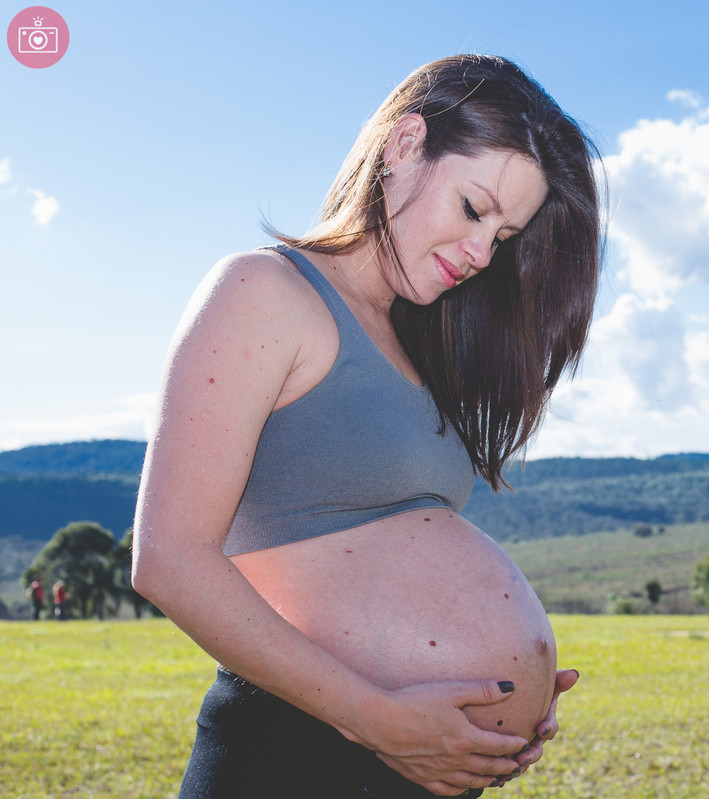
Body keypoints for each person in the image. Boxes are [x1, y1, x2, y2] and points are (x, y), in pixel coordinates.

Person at [132, 54, 601, 798]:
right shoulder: (265, 289)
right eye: (474, 209)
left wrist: (505, 695)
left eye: (505, 237)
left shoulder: (420, 343)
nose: (482, 253)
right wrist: (377, 715)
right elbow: (168, 559)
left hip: (406, 764)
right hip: (297, 752)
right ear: (405, 145)